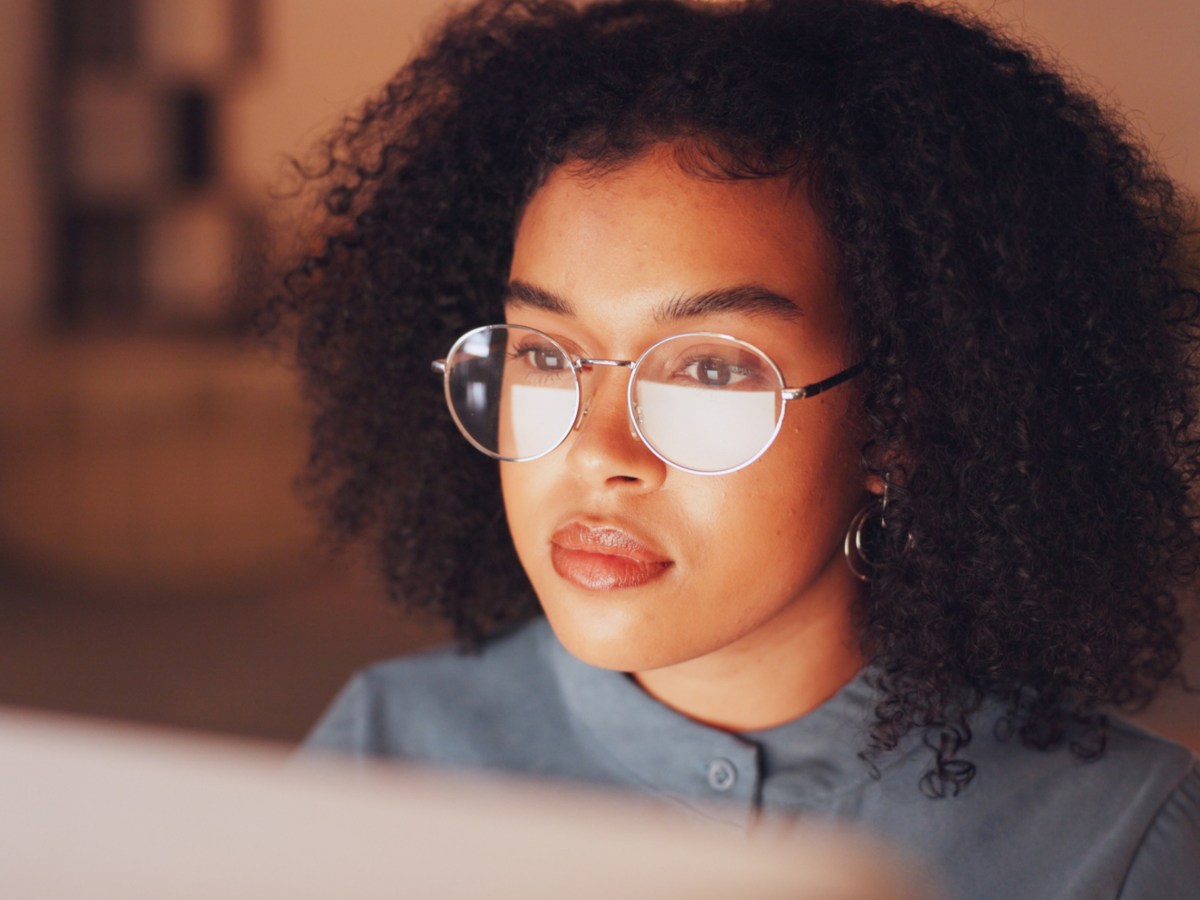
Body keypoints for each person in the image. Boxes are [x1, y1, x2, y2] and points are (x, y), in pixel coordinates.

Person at [263, 0, 1200, 896]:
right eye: (546, 353)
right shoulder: (384, 752)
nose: (597, 451)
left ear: (903, 417)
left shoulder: (1118, 841)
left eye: (709, 371)